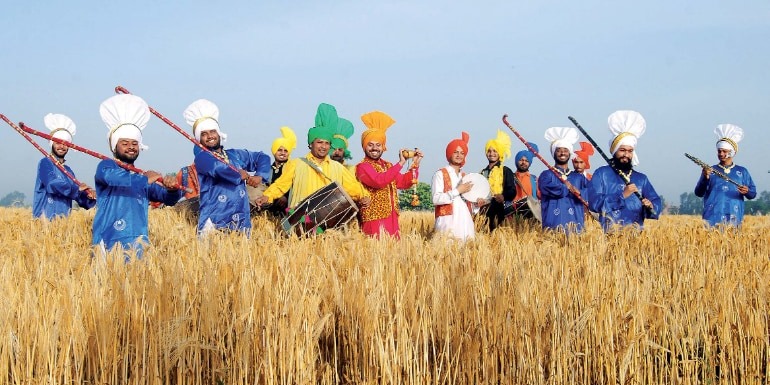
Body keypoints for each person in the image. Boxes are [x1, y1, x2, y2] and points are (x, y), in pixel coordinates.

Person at [92, 94, 182, 259]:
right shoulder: (106, 166)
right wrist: (145, 179)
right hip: (108, 242)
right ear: (114, 147)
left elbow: (167, 199)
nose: (130, 148)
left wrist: (172, 189)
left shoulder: (140, 176)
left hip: (138, 245)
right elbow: (113, 178)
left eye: (134, 144)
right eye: (124, 143)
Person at [256, 103, 371, 232]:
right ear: (311, 144)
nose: (323, 146)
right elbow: (280, 185)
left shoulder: (338, 168)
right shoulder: (297, 164)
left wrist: (364, 196)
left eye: (327, 143)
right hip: (300, 222)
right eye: (319, 142)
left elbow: (354, 187)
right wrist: (267, 196)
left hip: (328, 224)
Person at [184, 99, 272, 236]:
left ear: (219, 133)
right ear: (198, 139)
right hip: (214, 224)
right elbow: (218, 168)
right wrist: (239, 174)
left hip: (241, 222)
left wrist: (259, 175)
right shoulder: (202, 158)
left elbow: (262, 157)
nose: (209, 136)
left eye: (212, 131)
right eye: (204, 134)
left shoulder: (234, 154)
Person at [587, 110, 661, 232]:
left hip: (636, 238)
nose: (626, 154)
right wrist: (622, 195)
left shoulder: (641, 179)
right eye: (622, 150)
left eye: (630, 151)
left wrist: (650, 206)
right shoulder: (601, 174)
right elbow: (594, 203)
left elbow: (655, 203)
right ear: (614, 150)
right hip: (609, 238)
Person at [355, 110, 422, 239]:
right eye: (370, 145)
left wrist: (415, 165)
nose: (374, 148)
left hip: (392, 219)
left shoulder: (388, 166)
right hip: (374, 218)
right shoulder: (362, 167)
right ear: (364, 147)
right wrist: (401, 163)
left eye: (378, 145)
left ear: (383, 147)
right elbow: (378, 181)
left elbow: (404, 182)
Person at [32, 113, 96, 219]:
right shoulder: (45, 163)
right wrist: (77, 189)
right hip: (43, 225)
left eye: (66, 143)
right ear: (51, 143)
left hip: (63, 227)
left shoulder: (68, 171)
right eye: (58, 142)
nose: (62, 146)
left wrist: (89, 196)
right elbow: (52, 183)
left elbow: (76, 194)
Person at [694, 123, 756, 227]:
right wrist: (704, 177)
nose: (721, 154)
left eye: (724, 151)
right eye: (719, 151)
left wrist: (747, 191)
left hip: (734, 217)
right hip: (712, 218)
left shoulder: (742, 171)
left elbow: (753, 194)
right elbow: (699, 193)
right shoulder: (710, 170)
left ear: (732, 152)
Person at [431, 131, 486, 241]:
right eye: (455, 152)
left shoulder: (465, 176)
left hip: (465, 221)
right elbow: (435, 199)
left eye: (462, 153)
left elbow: (468, 203)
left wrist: (476, 204)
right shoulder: (440, 174)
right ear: (449, 154)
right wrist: (457, 191)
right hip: (447, 222)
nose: (459, 155)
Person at [537, 126, 588, 234]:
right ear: (554, 153)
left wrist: (580, 192)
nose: (562, 153)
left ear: (570, 154)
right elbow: (546, 188)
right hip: (552, 228)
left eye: (565, 150)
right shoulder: (546, 175)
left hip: (576, 228)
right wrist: (566, 187)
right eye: (558, 150)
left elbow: (592, 193)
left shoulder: (578, 177)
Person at [479, 130, 515, 231]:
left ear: (500, 153)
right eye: (489, 151)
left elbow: (512, 190)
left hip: (499, 210)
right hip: (483, 212)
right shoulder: (482, 172)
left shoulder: (506, 170)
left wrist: (503, 196)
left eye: (495, 151)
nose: (492, 154)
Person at [265, 126, 297, 217]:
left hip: (288, 206)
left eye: (286, 151)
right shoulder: (268, 169)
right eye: (279, 150)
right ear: (274, 151)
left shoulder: (292, 167)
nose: (283, 153)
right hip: (271, 206)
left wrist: (284, 197)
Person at [511, 142, 541, 219]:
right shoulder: (510, 177)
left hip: (530, 215)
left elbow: (541, 196)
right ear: (516, 161)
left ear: (529, 163)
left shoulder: (534, 180)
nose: (524, 162)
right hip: (512, 214)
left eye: (526, 161)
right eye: (521, 160)